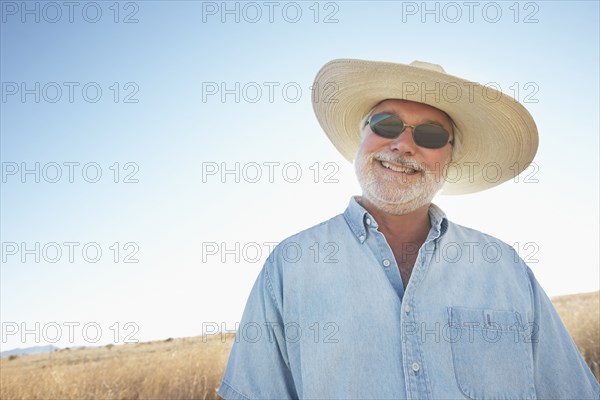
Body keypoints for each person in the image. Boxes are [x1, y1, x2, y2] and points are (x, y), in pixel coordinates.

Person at [217, 59, 599, 399]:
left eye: (430, 135)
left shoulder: (504, 267)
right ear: (362, 137)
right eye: (387, 124)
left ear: (450, 158)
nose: (402, 144)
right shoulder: (291, 265)